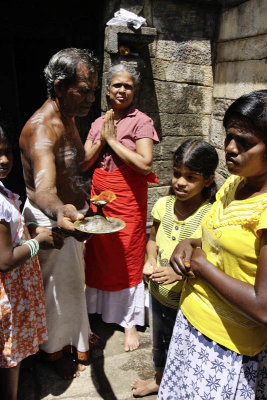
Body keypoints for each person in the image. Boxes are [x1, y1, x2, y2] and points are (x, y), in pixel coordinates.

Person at [158, 90, 267, 400]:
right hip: (192, 324)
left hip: (227, 349)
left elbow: (263, 306)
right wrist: (189, 242)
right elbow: (216, 235)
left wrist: (201, 265)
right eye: (229, 137)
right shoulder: (235, 183)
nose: (230, 149)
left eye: (245, 142)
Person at [19, 48, 99, 380]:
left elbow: (71, 167)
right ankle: (52, 350)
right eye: (84, 90)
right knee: (54, 292)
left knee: (72, 286)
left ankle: (72, 341)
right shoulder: (42, 127)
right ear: (59, 86)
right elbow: (44, 188)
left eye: (94, 90)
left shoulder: (69, 116)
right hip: (51, 219)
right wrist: (60, 209)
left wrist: (86, 204)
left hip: (72, 216)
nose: (92, 98)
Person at [131, 139, 219, 396]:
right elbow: (152, 241)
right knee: (160, 342)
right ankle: (159, 380)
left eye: (190, 177)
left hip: (189, 302)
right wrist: (149, 260)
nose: (180, 182)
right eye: (177, 174)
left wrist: (178, 272)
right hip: (159, 295)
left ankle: (183, 386)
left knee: (186, 346)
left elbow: (211, 258)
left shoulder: (209, 215)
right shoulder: (163, 206)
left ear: (209, 180)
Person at [81, 63, 159, 352]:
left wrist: (112, 141)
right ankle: (99, 310)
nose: (122, 90)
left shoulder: (142, 121)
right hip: (101, 193)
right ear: (108, 89)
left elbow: (145, 164)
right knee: (100, 251)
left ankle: (129, 320)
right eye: (117, 85)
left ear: (134, 90)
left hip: (127, 197)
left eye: (127, 86)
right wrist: (102, 135)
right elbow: (84, 162)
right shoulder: (98, 121)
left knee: (128, 251)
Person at [0, 122, 63, 400]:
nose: (3, 160)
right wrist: (39, 242)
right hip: (8, 292)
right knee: (9, 354)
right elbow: (4, 260)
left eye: (7, 152)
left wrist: (28, 230)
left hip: (12, 289)